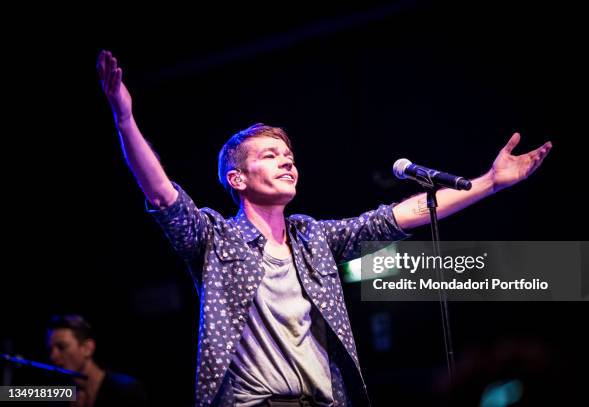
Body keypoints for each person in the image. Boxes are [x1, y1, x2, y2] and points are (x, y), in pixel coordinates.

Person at [96, 50, 552, 407]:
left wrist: (490, 183)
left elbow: (403, 213)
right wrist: (124, 119)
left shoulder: (313, 238)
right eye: (269, 156)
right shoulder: (215, 239)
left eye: (288, 155)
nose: (286, 160)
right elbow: (162, 196)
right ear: (237, 179)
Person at [47, 314, 147, 407]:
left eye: (61, 347)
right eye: (50, 349)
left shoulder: (126, 390)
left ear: (87, 348)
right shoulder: (60, 394)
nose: (53, 356)